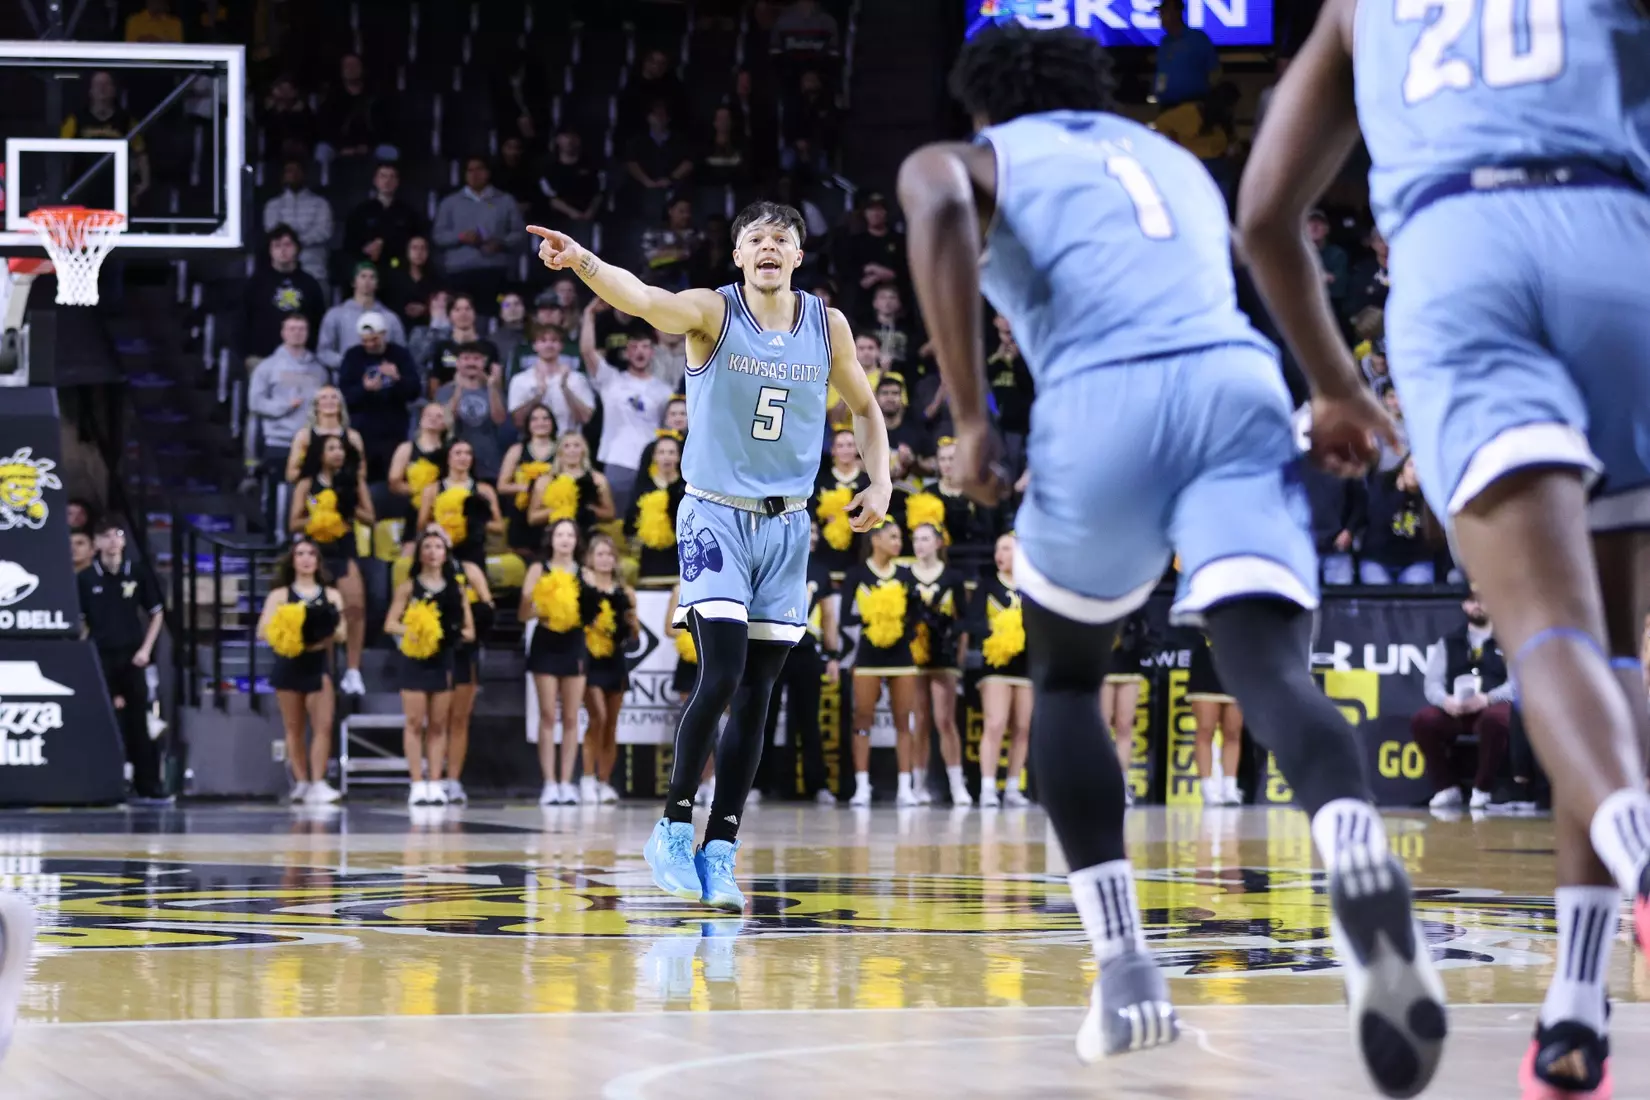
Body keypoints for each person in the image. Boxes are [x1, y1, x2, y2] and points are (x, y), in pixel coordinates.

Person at [898, 24, 1444, 1085]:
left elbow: (935, 203)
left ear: (983, 107)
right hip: (1236, 387)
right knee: (1271, 668)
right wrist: (1338, 384)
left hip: (1101, 399)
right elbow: (1264, 241)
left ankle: (1124, 967)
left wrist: (969, 414)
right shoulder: (1173, 158)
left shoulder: (978, 154)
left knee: (1061, 676)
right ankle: (1355, 856)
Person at [1240, 5, 1650, 1091]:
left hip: (1462, 248)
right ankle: (1573, 1007)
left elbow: (1266, 216)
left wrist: (1338, 383)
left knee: (1551, 632)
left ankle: (1644, 862)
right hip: (1621, 233)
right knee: (1614, 648)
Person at [529, 199, 891, 911]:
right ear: (737, 255)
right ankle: (670, 825)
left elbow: (867, 410)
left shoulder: (828, 324)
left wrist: (879, 479)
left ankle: (720, 847)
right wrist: (583, 262)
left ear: (797, 257)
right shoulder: (711, 313)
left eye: (780, 240)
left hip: (788, 526)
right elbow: (644, 298)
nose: (767, 247)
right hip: (715, 515)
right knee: (722, 673)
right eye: (755, 238)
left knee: (758, 695)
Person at [78, 519, 167, 802]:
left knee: (139, 721)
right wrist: (86, 654)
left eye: (118, 535)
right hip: (102, 657)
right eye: (106, 536)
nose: (114, 540)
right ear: (97, 544)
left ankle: (149, 786)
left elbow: (157, 613)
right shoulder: (85, 578)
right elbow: (80, 624)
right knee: (104, 720)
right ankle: (105, 785)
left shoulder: (137, 573)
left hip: (133, 657)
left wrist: (145, 649)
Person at [385, 528, 474, 807]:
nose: (433, 552)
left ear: (445, 553)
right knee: (414, 723)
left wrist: (449, 632)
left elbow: (469, 630)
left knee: (438, 724)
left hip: (443, 658)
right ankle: (416, 783)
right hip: (414, 658)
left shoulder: (456, 589)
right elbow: (390, 623)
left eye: (438, 547)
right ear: (420, 553)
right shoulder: (408, 587)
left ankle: (436, 782)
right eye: (428, 547)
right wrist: (413, 630)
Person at [256, 536, 346, 805]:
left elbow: (341, 632)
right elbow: (263, 631)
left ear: (318, 561)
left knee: (323, 726)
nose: (306, 559)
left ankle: (319, 782)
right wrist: (291, 635)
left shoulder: (332, 594)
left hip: (318, 663)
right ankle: (302, 783)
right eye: (300, 554)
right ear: (292, 560)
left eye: (311, 554)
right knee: (293, 728)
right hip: (289, 663)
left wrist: (318, 637)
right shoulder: (279, 595)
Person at [841, 521, 921, 807]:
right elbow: (844, 619)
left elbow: (915, 618)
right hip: (868, 656)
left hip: (901, 656)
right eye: (894, 536)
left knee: (903, 720)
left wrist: (900, 625)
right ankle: (862, 786)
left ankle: (905, 787)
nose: (899, 542)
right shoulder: (857, 574)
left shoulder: (905, 575)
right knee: (862, 719)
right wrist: (872, 617)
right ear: (875, 540)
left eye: (900, 537)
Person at [1412, 592, 1514, 813]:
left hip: (1489, 707)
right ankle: (1446, 787)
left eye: (1483, 599)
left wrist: (1488, 698)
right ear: (1464, 606)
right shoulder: (1449, 641)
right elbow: (1432, 683)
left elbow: (1518, 683)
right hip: (1456, 710)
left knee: (1497, 719)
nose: (1478, 605)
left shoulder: (1508, 639)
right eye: (1472, 601)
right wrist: (1445, 701)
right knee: (1424, 720)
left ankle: (1482, 788)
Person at [760, 521, 840, 802]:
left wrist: (831, 655)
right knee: (764, 719)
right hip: (774, 648)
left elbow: (829, 616)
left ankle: (816, 785)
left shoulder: (820, 570)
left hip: (806, 651)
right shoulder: (774, 561)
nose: (814, 537)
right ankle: (758, 785)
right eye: (810, 531)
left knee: (808, 720)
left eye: (818, 532)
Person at [289, 435, 373, 695]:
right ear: (320, 453)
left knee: (355, 607)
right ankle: (325, 668)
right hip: (315, 554)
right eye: (331, 448)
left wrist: (346, 507)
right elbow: (293, 523)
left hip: (345, 549)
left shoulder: (354, 481)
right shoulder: (306, 484)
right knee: (321, 610)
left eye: (341, 448)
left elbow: (371, 518)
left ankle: (353, 670)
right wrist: (318, 518)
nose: (338, 453)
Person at [577, 302, 675, 513]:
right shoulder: (610, 379)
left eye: (645, 347)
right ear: (626, 353)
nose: (639, 352)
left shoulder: (665, 390)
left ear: (652, 352)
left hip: (652, 462)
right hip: (617, 460)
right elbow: (587, 351)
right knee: (616, 518)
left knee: (648, 519)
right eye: (634, 347)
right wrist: (588, 314)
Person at [521, 519, 593, 805]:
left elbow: (593, 612)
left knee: (573, 716)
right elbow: (523, 613)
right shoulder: (538, 569)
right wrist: (542, 605)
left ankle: (567, 782)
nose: (565, 540)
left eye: (570, 535)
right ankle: (549, 782)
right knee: (549, 714)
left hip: (574, 643)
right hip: (546, 643)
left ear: (576, 541)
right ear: (551, 540)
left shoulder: (584, 572)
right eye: (560, 534)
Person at [967, 532, 1032, 809]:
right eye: (998, 549)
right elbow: (973, 623)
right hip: (995, 665)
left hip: (1026, 665)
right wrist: (1000, 631)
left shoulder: (1032, 588)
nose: (1000, 554)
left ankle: (1014, 787)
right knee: (995, 724)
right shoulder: (987, 585)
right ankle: (988, 787)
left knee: (1022, 727)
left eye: (1006, 548)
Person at [909, 522, 971, 807]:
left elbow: (964, 621)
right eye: (916, 539)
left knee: (944, 720)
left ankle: (957, 785)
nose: (919, 544)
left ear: (938, 543)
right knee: (919, 721)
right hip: (913, 656)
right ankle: (917, 785)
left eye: (925, 539)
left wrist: (958, 659)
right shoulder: (905, 575)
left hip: (944, 656)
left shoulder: (953, 577)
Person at [581, 534, 637, 804]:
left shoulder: (624, 592)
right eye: (599, 554)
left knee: (611, 724)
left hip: (615, 660)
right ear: (590, 558)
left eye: (609, 554)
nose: (604, 559)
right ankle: (587, 778)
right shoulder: (583, 588)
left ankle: (604, 782)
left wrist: (631, 619)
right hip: (589, 659)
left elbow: (633, 634)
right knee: (597, 718)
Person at [338, 311, 421, 482]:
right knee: (360, 479)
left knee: (393, 479)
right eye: (365, 340)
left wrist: (397, 378)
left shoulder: (400, 355)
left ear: (384, 334)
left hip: (393, 431)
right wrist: (365, 388)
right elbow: (344, 396)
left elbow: (414, 392)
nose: (369, 344)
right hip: (362, 431)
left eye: (374, 339)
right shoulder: (353, 356)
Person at [433, 158, 525, 311]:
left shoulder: (505, 201)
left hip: (495, 271)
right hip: (459, 272)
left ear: (487, 173)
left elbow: (520, 234)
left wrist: (500, 242)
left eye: (479, 169)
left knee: (496, 311)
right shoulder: (449, 203)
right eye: (470, 170)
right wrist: (460, 237)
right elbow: (438, 236)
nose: (475, 174)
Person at [247, 314, 327, 476]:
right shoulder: (267, 367)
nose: (297, 333)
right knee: (277, 494)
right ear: (283, 333)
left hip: (311, 442)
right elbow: (255, 402)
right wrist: (285, 406)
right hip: (279, 442)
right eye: (292, 329)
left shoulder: (319, 370)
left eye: (301, 329)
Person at [445, 554, 494, 806]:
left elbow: (487, 609)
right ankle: (429, 779)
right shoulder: (414, 579)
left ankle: (453, 780)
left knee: (459, 719)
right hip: (431, 654)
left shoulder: (468, 569)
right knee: (432, 720)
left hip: (463, 652)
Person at [417, 438, 503, 570]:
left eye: (468, 453)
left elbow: (499, 527)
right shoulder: (432, 490)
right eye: (458, 453)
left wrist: (476, 522)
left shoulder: (484, 490)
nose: (463, 457)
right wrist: (440, 526)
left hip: (474, 552)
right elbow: (422, 524)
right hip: (442, 551)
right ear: (448, 457)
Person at [245, 225, 324, 361]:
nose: (283, 250)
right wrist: (246, 356)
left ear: (297, 248)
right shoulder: (255, 283)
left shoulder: (310, 283)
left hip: (303, 358)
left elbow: (319, 322)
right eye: (277, 245)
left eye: (287, 245)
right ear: (269, 251)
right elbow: (242, 320)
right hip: (262, 358)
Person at [433, 343, 509, 481]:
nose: (471, 363)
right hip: (455, 460)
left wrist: (492, 388)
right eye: (466, 358)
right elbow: (446, 421)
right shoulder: (445, 390)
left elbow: (500, 419)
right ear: (458, 363)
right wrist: (458, 390)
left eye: (476, 359)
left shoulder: (493, 389)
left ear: (484, 362)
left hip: (488, 458)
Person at [1186, 633, 1244, 805]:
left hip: (1236, 668)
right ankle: (1207, 787)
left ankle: (1230, 788)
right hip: (1205, 667)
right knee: (1205, 729)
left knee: (1233, 732)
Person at [506, 324, 593, 437]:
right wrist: (538, 395)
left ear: (561, 346)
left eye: (554, 340)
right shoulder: (520, 380)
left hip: (568, 445)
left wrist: (565, 388)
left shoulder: (577, 379)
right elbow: (518, 421)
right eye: (543, 340)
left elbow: (585, 418)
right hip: (534, 446)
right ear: (535, 346)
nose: (549, 345)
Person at [318, 263, 407, 371]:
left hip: (382, 381)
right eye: (363, 276)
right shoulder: (335, 315)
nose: (367, 281)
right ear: (354, 282)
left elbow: (401, 354)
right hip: (346, 381)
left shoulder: (391, 318)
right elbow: (323, 352)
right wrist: (349, 363)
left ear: (377, 284)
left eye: (372, 277)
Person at [527, 431, 617, 537]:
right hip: (555, 536)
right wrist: (561, 509)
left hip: (586, 534)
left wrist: (588, 509)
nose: (572, 450)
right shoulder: (545, 481)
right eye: (567, 446)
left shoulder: (598, 479)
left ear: (584, 450)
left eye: (576, 445)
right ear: (559, 451)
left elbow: (610, 515)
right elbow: (532, 518)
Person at [387, 403, 450, 555]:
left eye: (439, 416)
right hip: (416, 509)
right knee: (409, 555)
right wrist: (420, 490)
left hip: (444, 510)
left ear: (445, 423)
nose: (433, 419)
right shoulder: (407, 449)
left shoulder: (450, 450)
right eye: (429, 415)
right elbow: (394, 483)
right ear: (421, 419)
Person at [498, 404, 561, 556]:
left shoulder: (561, 450)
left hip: (550, 516)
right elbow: (502, 486)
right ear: (528, 425)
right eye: (535, 419)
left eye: (546, 418)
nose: (541, 423)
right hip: (521, 517)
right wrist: (529, 487)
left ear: (552, 423)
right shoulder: (517, 450)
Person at [625, 433, 687, 586]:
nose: (667, 457)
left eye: (671, 452)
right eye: (662, 452)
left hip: (681, 553)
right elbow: (629, 524)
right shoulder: (643, 486)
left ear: (679, 457)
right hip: (650, 553)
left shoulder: (687, 486)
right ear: (654, 456)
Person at [1103, 610, 1150, 804]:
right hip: (1102, 662)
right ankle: (1099, 783)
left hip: (1129, 662)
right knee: (1101, 727)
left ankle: (1121, 784)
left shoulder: (1132, 589)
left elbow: (1144, 623)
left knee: (1125, 725)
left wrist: (1136, 637)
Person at [262, 159, 333, 288]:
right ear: (283, 176)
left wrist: (293, 241)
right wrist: (291, 243)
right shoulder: (273, 205)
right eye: (289, 171)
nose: (293, 175)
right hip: (281, 270)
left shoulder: (321, 204)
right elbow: (272, 232)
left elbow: (323, 232)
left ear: (304, 174)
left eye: (297, 171)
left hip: (314, 269)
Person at [343, 162, 426, 269]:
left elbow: (415, 242)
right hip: (368, 267)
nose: (387, 181)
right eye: (383, 176)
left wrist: (385, 244)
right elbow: (349, 244)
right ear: (375, 181)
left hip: (399, 267)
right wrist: (365, 250)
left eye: (392, 177)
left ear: (397, 182)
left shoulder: (408, 212)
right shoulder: (360, 211)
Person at [814, 428, 870, 581]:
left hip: (858, 549)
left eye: (850, 445)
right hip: (825, 550)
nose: (845, 450)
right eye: (840, 446)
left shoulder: (867, 481)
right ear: (833, 450)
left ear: (857, 449)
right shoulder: (821, 481)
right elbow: (813, 513)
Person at [285, 386, 367, 484]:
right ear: (316, 405)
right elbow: (291, 474)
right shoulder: (303, 436)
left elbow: (362, 473)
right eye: (324, 397)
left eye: (334, 397)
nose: (329, 401)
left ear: (340, 404)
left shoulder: (353, 436)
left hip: (345, 492)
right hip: (313, 494)